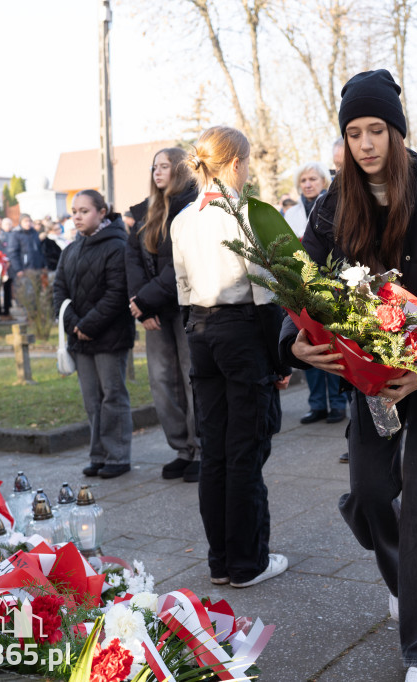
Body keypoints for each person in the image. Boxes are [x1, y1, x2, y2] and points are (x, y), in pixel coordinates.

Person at [280, 69, 417, 682]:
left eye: (376, 131)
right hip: (370, 386)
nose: (364, 144)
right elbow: (301, 284)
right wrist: (295, 343)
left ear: (396, 133)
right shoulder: (331, 207)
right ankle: (413, 578)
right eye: (353, 133)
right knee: (370, 496)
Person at [171, 126, 291, 589]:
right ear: (237, 163)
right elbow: (265, 294)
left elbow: (184, 291)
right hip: (242, 330)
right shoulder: (243, 213)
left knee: (216, 450)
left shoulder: (183, 218)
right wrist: (278, 361)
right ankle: (247, 562)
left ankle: (221, 560)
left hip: (201, 332)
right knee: (244, 451)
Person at [125, 146, 202, 483]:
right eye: (154, 166)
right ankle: (182, 450)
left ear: (181, 170)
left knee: (191, 379)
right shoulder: (143, 212)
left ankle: (202, 449)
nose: (157, 172)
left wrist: (146, 299)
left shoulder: (194, 206)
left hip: (187, 307)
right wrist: (141, 307)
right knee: (161, 381)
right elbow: (131, 259)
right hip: (153, 312)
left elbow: (181, 262)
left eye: (165, 166)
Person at [53, 190, 135, 479]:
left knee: (112, 395)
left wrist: (88, 325)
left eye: (84, 211)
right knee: (91, 399)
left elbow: (117, 293)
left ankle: (117, 456)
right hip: (79, 336)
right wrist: (73, 323)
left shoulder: (116, 245)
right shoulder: (71, 249)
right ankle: (98, 454)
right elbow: (59, 290)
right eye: (74, 211)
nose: (77, 216)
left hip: (109, 336)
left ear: (102, 212)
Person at [284, 161, 348, 426]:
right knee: (306, 341)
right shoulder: (291, 213)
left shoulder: (333, 206)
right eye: (304, 180)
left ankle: (338, 403)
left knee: (331, 343)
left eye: (313, 179)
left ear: (324, 182)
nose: (308, 184)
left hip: (329, 283)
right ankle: (317, 404)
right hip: (301, 286)